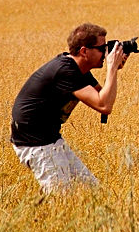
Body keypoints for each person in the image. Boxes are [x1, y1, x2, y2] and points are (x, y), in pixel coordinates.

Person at [10, 23, 128, 194]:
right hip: (36, 144)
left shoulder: (78, 69)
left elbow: (103, 96)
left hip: (51, 139)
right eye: (102, 49)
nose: (106, 53)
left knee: (92, 192)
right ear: (84, 51)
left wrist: (114, 69)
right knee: (61, 197)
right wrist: (111, 69)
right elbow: (104, 106)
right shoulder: (65, 71)